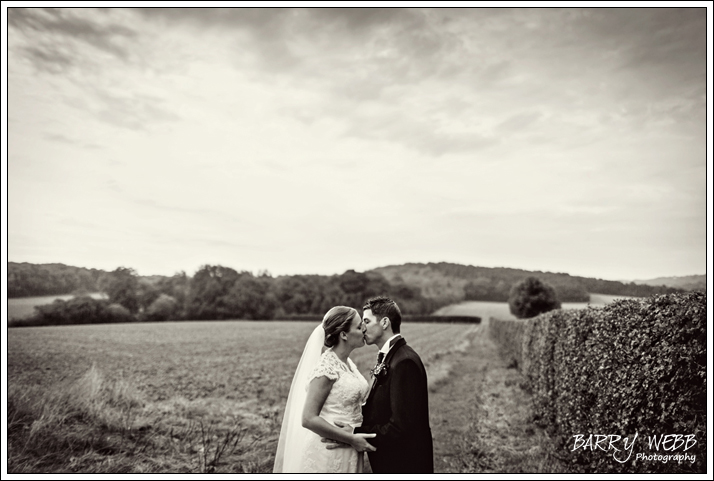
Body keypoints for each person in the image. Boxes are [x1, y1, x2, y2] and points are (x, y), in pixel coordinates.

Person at [325, 296, 434, 473]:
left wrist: (355, 433)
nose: (362, 327)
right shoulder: (392, 356)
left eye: (366, 321)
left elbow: (401, 427)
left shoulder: (404, 362)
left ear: (384, 323)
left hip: (404, 464)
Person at [273, 306, 377, 473]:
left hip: (348, 446)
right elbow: (308, 418)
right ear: (344, 334)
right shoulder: (326, 368)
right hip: (328, 450)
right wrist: (350, 438)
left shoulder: (347, 363)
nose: (364, 329)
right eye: (359, 327)